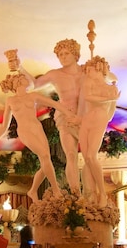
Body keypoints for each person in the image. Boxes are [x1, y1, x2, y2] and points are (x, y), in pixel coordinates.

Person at [0, 72, 70, 202]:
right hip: (25, 131)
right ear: (14, 85)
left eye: (22, 77)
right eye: (18, 78)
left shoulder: (33, 96)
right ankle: (56, 190)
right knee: (44, 156)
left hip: (37, 128)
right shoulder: (11, 101)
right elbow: (4, 126)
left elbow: (55, 104)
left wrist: (69, 113)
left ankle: (32, 191)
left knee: (46, 160)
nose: (22, 78)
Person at [21, 39, 85, 194]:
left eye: (66, 53)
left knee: (89, 157)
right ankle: (76, 194)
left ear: (75, 54)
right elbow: (35, 85)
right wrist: (19, 67)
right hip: (65, 117)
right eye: (60, 55)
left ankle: (91, 193)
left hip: (84, 117)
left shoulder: (86, 71)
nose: (63, 57)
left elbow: (106, 78)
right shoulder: (55, 74)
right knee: (71, 155)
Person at [77, 55, 120, 206]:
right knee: (86, 158)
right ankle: (90, 195)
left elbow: (110, 114)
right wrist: (110, 100)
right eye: (87, 71)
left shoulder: (111, 88)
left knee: (91, 156)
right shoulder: (90, 84)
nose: (88, 73)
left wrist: (111, 102)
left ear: (99, 69)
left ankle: (102, 193)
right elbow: (89, 98)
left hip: (99, 120)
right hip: (87, 120)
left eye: (90, 70)